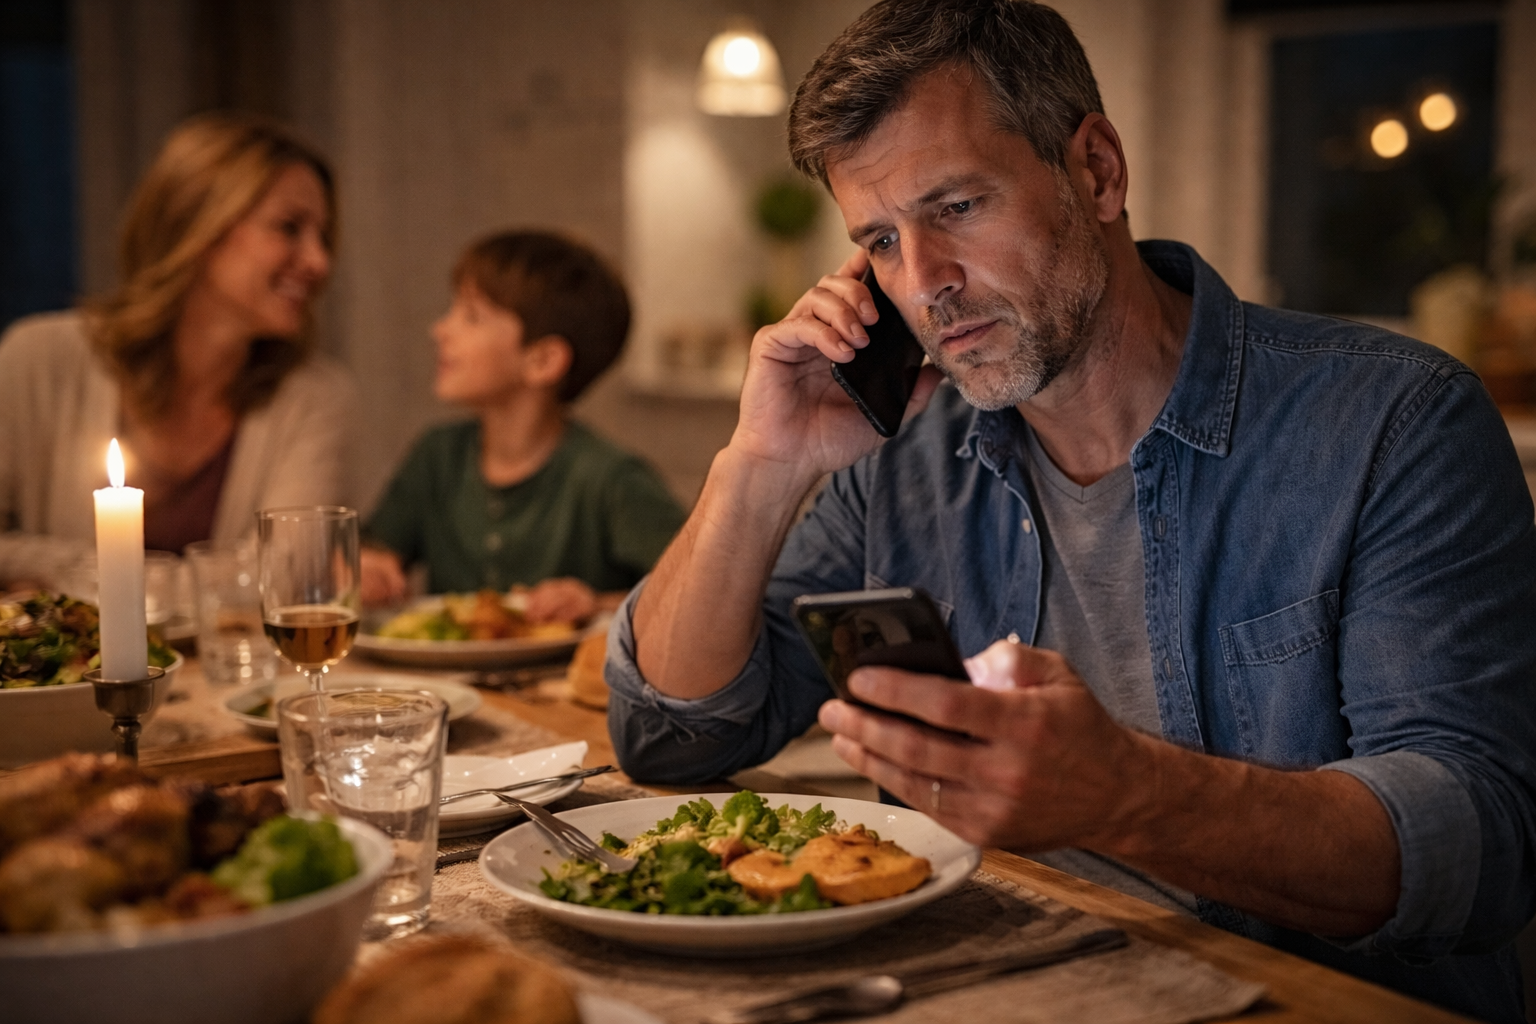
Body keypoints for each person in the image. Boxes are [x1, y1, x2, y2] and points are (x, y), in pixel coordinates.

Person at [605, 2, 1536, 1020]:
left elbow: (1481, 842)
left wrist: (1127, 793)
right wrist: (761, 465)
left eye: (957, 206)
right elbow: (671, 734)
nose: (925, 285)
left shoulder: (1393, 421)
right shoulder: (904, 453)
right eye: (879, 238)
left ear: (1096, 171)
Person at [0, 112, 355, 588]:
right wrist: (211, 586)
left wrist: (70, 578)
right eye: (289, 227)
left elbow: (287, 580)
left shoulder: (314, 396)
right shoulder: (39, 358)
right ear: (199, 228)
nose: (318, 262)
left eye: (323, 236)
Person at [360, 231, 685, 624]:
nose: (440, 330)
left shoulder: (611, 479)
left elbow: (694, 588)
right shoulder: (438, 455)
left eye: (471, 317)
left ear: (543, 360)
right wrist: (369, 569)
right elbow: (373, 552)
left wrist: (595, 604)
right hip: (440, 684)